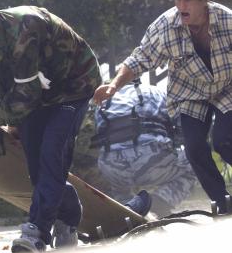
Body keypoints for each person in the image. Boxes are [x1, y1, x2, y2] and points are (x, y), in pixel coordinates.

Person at [0, 0, 102, 253]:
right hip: (38, 95)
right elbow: (5, 86)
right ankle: (69, 211)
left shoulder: (25, 27)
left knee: (52, 153)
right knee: (35, 166)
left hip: (73, 88)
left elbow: (25, 98)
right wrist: (13, 121)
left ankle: (36, 232)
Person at [93, 0, 232, 215]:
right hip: (190, 94)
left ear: (204, 0)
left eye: (188, 0)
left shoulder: (227, 21)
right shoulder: (165, 26)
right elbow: (139, 59)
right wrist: (114, 86)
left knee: (223, 141)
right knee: (194, 147)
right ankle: (223, 202)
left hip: (227, 87)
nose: (181, 6)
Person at [75, 82, 196, 217]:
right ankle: (159, 203)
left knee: (119, 189)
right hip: (152, 159)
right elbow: (181, 131)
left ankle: (127, 210)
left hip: (112, 166)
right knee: (195, 165)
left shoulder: (107, 98)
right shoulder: (156, 92)